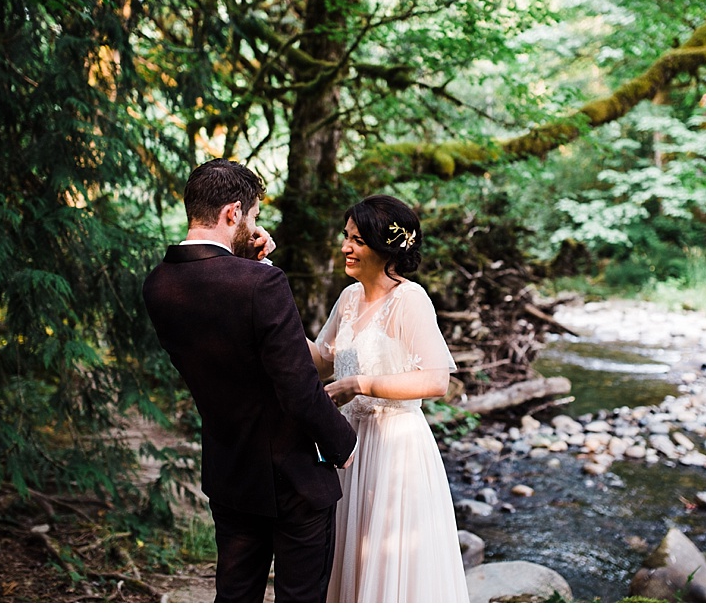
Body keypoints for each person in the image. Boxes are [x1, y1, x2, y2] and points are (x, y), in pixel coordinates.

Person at [142, 158, 357, 603]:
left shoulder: (159, 284)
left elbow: (223, 316)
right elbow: (297, 383)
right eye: (254, 215)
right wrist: (343, 443)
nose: (256, 224)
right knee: (301, 599)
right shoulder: (262, 284)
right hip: (293, 475)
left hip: (230, 468)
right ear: (233, 213)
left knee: (235, 596)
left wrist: (248, 260)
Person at [309, 194, 470, 603]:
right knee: (350, 556)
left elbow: (436, 381)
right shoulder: (348, 299)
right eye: (346, 237)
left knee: (390, 565)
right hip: (347, 447)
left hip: (393, 449)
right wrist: (267, 290)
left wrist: (362, 384)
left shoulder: (409, 299)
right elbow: (322, 362)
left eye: (357, 240)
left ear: (386, 247)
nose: (346, 247)